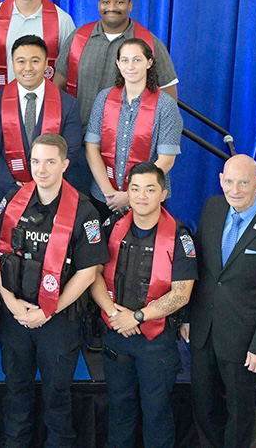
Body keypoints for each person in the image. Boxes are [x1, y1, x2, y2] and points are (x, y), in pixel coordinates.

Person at [0, 134, 108, 448]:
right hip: (16, 315)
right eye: (36, 161)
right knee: (16, 391)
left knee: (57, 397)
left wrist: (48, 309)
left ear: (65, 165)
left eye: (50, 162)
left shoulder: (84, 210)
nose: (41, 169)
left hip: (58, 319)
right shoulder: (12, 201)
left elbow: (88, 272)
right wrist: (12, 304)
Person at [187, 154, 256, 448]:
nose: (235, 189)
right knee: (204, 405)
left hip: (244, 341)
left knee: (239, 413)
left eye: (244, 182)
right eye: (229, 181)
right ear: (221, 180)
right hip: (203, 331)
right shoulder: (213, 207)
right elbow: (199, 270)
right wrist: (187, 317)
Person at [88, 162, 196, 448]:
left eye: (150, 189)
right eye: (134, 189)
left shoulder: (180, 236)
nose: (141, 196)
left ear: (163, 193)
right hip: (115, 333)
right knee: (119, 411)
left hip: (156, 341)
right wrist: (113, 314)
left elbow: (181, 294)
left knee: (156, 413)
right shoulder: (111, 226)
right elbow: (93, 275)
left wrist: (137, 316)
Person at [54, 0, 179, 124]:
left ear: (130, 5)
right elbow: (57, 87)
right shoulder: (78, 38)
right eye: (106, 2)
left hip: (125, 141)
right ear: (99, 5)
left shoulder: (149, 43)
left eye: (119, 2)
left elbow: (169, 96)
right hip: (77, 135)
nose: (112, 7)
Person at [0, 36, 82, 212]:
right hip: (5, 194)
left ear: (46, 65)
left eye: (35, 61)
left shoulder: (67, 103)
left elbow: (71, 151)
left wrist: (44, 183)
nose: (28, 68)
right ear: (12, 64)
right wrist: (13, 186)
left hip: (52, 194)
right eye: (21, 61)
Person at [85, 38, 183, 218]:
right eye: (125, 60)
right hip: (105, 197)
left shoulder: (165, 105)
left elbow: (166, 160)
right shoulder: (104, 99)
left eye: (137, 60)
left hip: (147, 200)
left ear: (149, 62)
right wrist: (109, 193)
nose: (130, 66)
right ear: (118, 64)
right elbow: (92, 148)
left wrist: (131, 195)